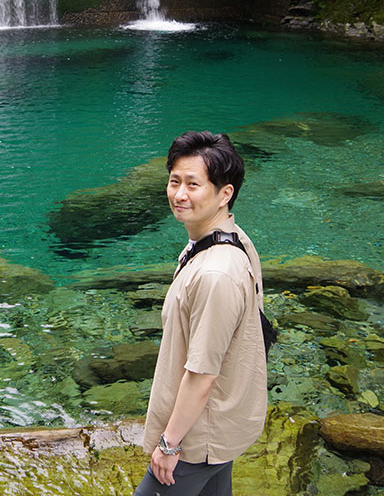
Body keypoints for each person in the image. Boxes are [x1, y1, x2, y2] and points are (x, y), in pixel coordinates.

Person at [133, 131, 267, 496]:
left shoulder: (215, 273)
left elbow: (202, 373)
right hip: (223, 424)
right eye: (175, 181)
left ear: (225, 193)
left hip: (197, 439)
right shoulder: (230, 238)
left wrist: (169, 445)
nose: (179, 194)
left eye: (193, 184)